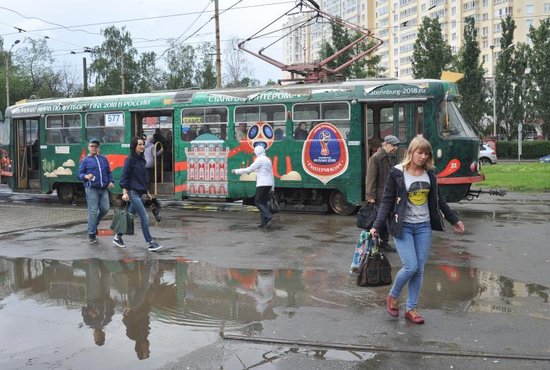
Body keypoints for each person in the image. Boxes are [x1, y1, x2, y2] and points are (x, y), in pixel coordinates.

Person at [370, 137, 465, 325]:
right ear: (411, 152)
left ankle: (411, 309)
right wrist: (376, 225)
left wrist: (454, 220)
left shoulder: (430, 174)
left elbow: (439, 201)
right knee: (410, 267)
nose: (423, 157)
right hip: (403, 226)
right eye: (419, 152)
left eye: (426, 153)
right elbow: (387, 202)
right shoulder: (397, 173)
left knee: (419, 270)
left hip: (423, 227)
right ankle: (393, 295)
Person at [114, 136, 163, 251]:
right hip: (132, 192)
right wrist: (124, 192)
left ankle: (118, 236)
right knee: (144, 217)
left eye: (143, 144)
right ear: (134, 146)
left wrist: (147, 192)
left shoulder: (142, 159)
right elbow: (124, 177)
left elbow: (141, 178)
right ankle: (150, 242)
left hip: (140, 192)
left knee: (129, 216)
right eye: (139, 144)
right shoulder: (130, 159)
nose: (142, 146)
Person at [365, 135, 400, 252]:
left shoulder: (389, 157)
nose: (395, 148)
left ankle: (383, 242)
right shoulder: (375, 158)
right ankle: (374, 243)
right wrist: (371, 196)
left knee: (386, 219)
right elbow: (370, 178)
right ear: (386, 144)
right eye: (393, 145)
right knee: (379, 220)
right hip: (380, 195)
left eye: (396, 145)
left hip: (388, 194)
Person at [78, 138, 115, 244]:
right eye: (92, 146)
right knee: (93, 212)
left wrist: (111, 181)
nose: (94, 148)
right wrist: (85, 176)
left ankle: (94, 224)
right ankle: (91, 234)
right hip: (91, 189)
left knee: (105, 209)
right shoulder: (85, 160)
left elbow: (108, 172)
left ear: (98, 148)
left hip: (103, 189)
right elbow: (78, 175)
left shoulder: (103, 159)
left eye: (96, 146)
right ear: (89, 147)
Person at [231, 145, 276, 229]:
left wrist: (236, 171)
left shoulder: (260, 160)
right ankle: (264, 223)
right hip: (268, 184)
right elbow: (271, 174)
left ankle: (269, 216)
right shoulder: (267, 160)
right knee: (263, 203)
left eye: (255, 152)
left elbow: (249, 169)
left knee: (258, 202)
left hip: (262, 184)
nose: (254, 153)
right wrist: (272, 187)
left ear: (258, 152)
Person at [81, 258, 115, 346]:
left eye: (97, 337)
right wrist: (113, 303)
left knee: (94, 276)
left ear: (94, 336)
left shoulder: (89, 322)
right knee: (107, 275)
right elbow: (111, 311)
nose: (99, 335)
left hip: (95, 298)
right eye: (101, 337)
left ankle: (93, 259)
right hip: (105, 296)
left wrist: (89, 311)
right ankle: (102, 259)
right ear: (104, 335)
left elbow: (83, 310)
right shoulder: (107, 321)